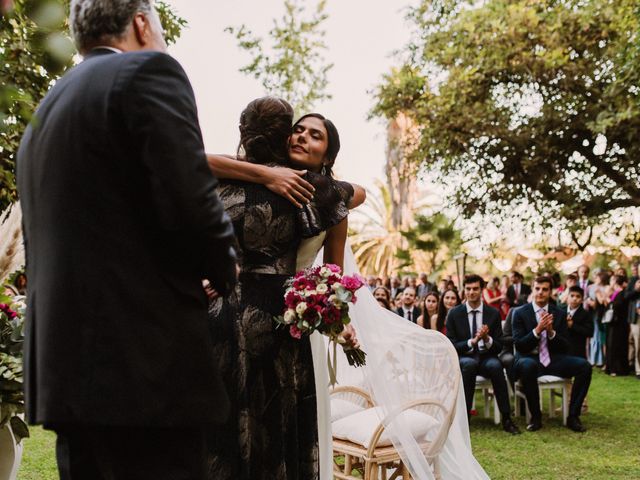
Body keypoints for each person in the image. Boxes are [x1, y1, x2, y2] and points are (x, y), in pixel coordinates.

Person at [16, 1, 239, 478]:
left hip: (66, 373)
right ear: (141, 24)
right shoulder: (148, 71)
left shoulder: (47, 110)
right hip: (143, 366)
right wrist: (225, 266)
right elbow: (191, 197)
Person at [512, 277, 592, 432]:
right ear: (533, 290)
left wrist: (551, 332)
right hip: (529, 358)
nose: (540, 292)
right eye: (537, 289)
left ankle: (573, 416)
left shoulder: (559, 313)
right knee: (528, 366)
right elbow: (520, 345)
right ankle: (536, 417)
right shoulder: (520, 313)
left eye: (545, 289)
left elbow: (565, 346)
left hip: (553, 359)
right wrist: (537, 331)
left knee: (584, 366)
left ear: (550, 292)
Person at [445, 275, 519, 434]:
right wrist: (471, 342)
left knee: (496, 365)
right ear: (463, 290)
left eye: (475, 289)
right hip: (465, 357)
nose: (471, 292)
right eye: (468, 289)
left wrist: (487, 339)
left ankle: (506, 418)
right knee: (469, 365)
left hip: (486, 357)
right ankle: (464, 420)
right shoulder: (454, 314)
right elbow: (450, 345)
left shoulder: (493, 313)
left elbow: (499, 346)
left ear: (481, 290)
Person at [604, 275, 630, 376]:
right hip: (612, 323)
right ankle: (611, 367)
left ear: (615, 281)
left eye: (611, 280)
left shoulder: (622, 293)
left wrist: (609, 301)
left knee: (617, 346)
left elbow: (617, 305)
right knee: (611, 345)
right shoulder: (614, 293)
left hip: (619, 324)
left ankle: (618, 369)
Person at [564, 286, 593, 358]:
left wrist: (573, 325)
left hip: (577, 350)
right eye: (572, 296)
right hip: (562, 349)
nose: (574, 298)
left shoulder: (586, 314)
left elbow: (590, 332)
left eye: (578, 296)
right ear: (567, 297)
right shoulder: (561, 311)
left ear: (582, 299)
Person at [625, 263, 640, 379]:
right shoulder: (633, 281)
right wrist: (636, 289)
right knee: (638, 343)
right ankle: (638, 370)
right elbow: (626, 296)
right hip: (636, 318)